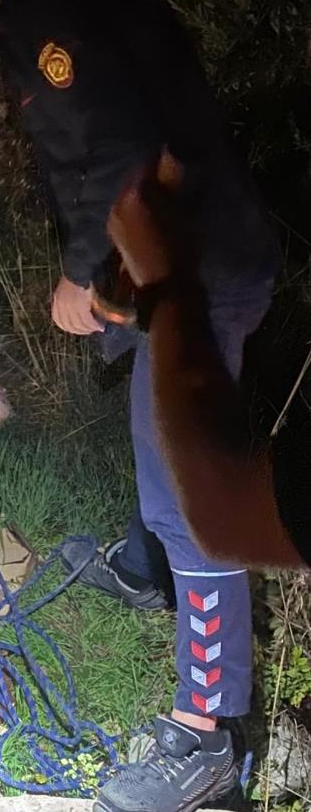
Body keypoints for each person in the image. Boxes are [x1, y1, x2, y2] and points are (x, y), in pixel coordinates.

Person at [0, 0, 281, 812]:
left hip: (189, 274)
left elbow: (115, 156)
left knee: (189, 496)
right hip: (190, 265)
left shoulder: (51, 17)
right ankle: (152, 571)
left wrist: (84, 278)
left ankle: (209, 732)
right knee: (163, 470)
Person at [106, 163, 307, 571]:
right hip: (207, 275)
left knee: (176, 514)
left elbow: (228, 518)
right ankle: (141, 568)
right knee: (167, 498)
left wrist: (165, 293)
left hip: (208, 282)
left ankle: (199, 623)